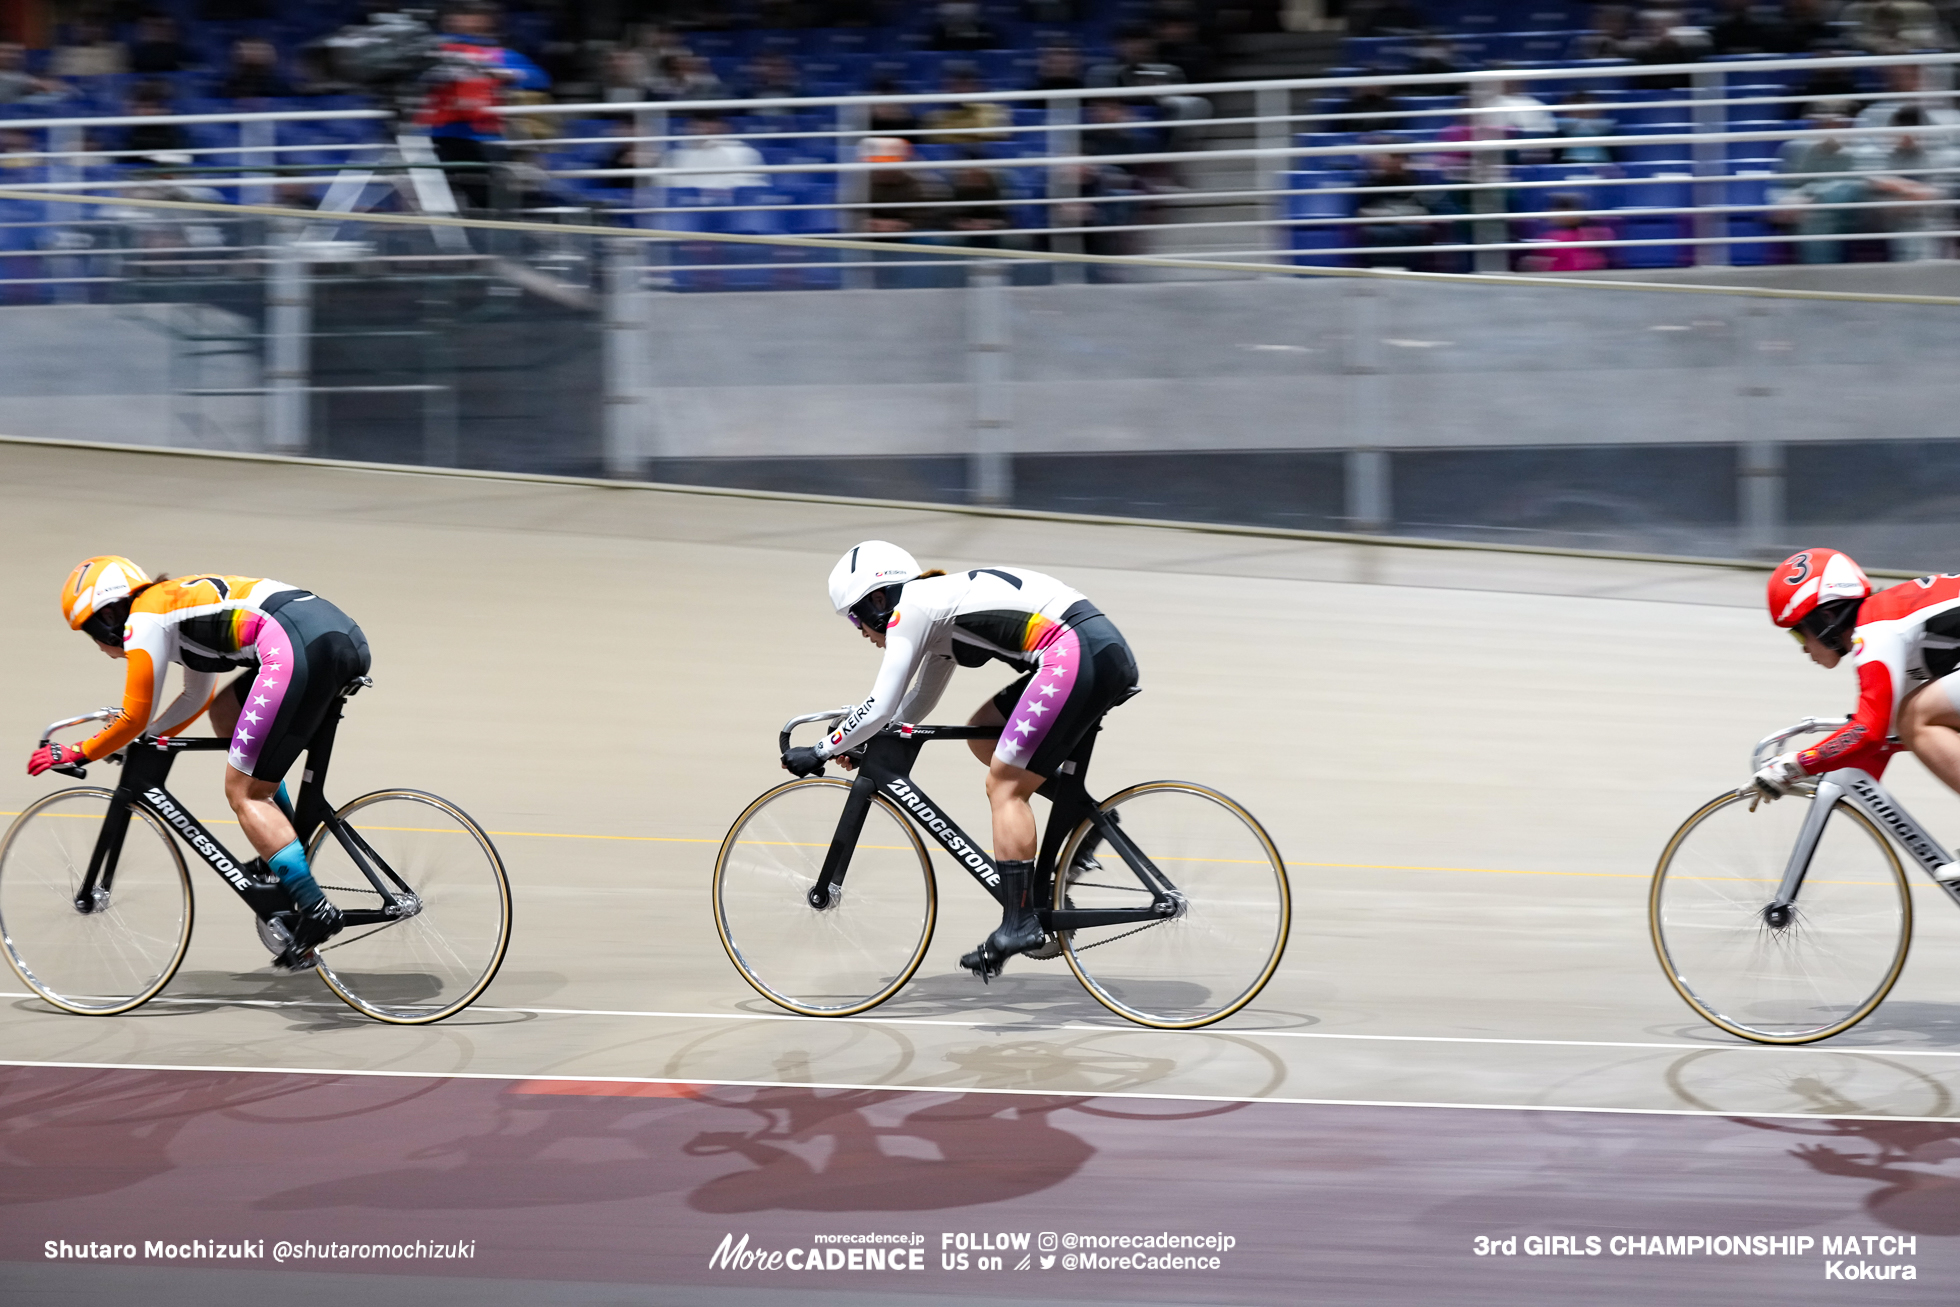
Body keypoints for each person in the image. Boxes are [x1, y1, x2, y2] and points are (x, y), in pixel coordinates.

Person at [781, 542, 1140, 980]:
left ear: (878, 599)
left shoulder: (909, 609)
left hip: (1074, 652)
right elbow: (915, 703)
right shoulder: (937, 610)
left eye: (856, 618)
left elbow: (878, 707)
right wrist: (858, 741)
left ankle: (1020, 922)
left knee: (1004, 785)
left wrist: (820, 749)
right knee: (985, 734)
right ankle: (1084, 820)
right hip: (1091, 648)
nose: (860, 631)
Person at [28, 558, 372, 969]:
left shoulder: (146, 620)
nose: (101, 649)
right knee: (226, 715)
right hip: (327, 634)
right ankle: (275, 857)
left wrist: (80, 751)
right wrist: (140, 737)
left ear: (106, 616)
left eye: (91, 634)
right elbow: (195, 698)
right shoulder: (172, 609)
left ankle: (316, 911)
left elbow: (133, 716)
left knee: (244, 792)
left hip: (297, 645)